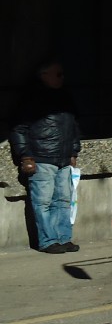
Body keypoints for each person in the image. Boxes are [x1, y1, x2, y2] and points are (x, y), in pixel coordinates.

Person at [8, 59, 82, 253]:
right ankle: (48, 241)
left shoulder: (65, 96)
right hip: (41, 158)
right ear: (44, 76)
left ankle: (63, 238)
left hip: (63, 158)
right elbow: (19, 128)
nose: (62, 78)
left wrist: (74, 150)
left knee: (63, 201)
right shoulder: (31, 98)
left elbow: (74, 125)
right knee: (43, 202)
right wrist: (26, 156)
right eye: (58, 74)